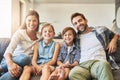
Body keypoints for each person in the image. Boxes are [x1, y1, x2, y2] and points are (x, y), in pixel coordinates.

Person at [69, 12, 119, 80]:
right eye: (75, 23)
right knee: (73, 73)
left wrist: (113, 41)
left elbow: (116, 35)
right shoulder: (75, 38)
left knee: (104, 65)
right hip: (82, 66)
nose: (78, 24)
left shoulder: (101, 30)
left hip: (98, 63)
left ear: (86, 20)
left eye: (80, 20)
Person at [0, 10, 40, 80]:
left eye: (34, 21)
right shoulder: (19, 33)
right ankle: (2, 68)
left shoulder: (40, 37)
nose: (32, 23)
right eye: (29, 20)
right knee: (25, 58)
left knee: (10, 76)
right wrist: (10, 64)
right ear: (25, 21)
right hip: (11, 60)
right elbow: (8, 51)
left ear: (38, 22)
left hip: (23, 66)